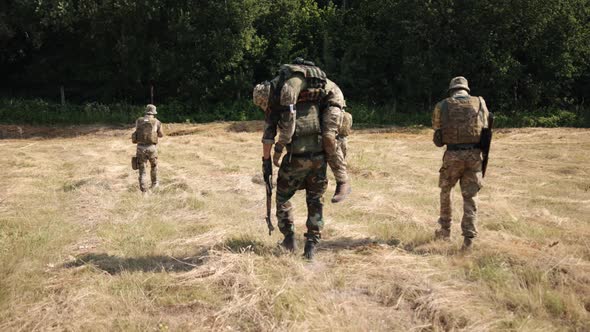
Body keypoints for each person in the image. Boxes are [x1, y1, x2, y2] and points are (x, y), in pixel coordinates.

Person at [254, 72, 330, 260]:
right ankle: (311, 247)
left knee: (282, 195)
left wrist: (266, 162)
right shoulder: (313, 100)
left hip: (296, 157)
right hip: (320, 157)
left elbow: (268, 138)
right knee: (315, 200)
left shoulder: (277, 105)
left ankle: (289, 239)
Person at [255, 58, 352, 203]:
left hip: (332, 96)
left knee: (328, 137)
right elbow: (268, 133)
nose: (265, 107)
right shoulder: (276, 91)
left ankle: (342, 181)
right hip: (319, 97)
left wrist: (278, 150)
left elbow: (289, 126)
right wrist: (266, 161)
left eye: (264, 103)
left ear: (268, 95)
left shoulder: (287, 90)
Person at [432, 76, 490, 250]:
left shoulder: (442, 106)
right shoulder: (480, 102)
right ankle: (468, 240)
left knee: (445, 191)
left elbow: (438, 136)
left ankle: (444, 231)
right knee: (471, 197)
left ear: (452, 90)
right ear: (466, 89)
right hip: (474, 157)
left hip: (452, 156)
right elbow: (486, 127)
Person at [132, 104, 164, 192]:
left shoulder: (138, 120)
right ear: (154, 112)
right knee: (154, 166)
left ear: (146, 111)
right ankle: (154, 185)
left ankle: (144, 190)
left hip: (140, 148)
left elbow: (136, 132)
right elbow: (161, 135)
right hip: (151, 148)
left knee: (142, 168)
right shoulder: (157, 122)